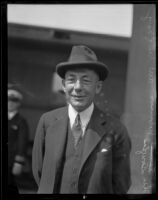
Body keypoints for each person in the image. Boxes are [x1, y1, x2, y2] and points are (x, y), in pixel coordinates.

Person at [32, 45, 132, 194]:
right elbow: (39, 173)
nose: (77, 87)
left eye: (85, 81)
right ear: (64, 85)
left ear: (98, 87)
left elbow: (121, 184)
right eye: (71, 80)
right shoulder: (47, 122)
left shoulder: (116, 130)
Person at [8, 84, 29, 194]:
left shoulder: (21, 121)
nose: (10, 103)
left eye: (13, 101)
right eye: (8, 100)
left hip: (11, 160)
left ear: (18, 103)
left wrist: (19, 162)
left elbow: (22, 141)